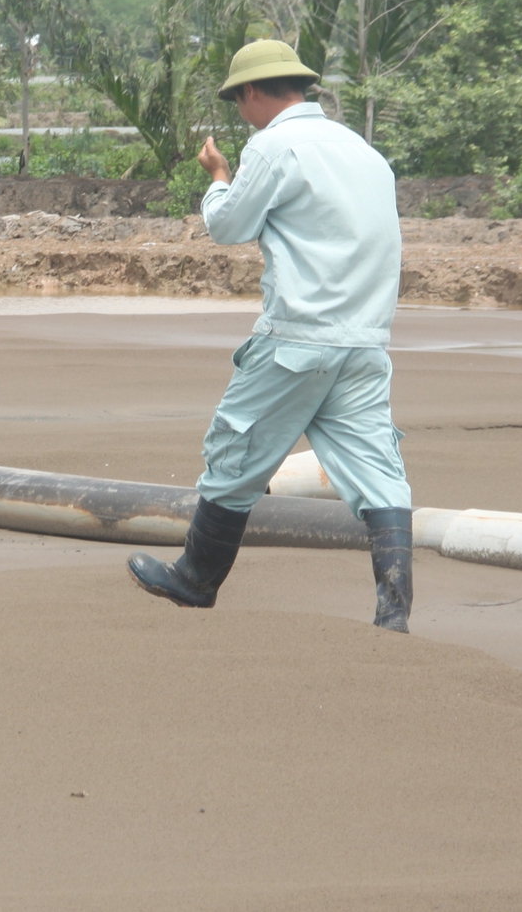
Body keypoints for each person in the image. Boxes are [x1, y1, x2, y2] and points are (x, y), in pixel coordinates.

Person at [127, 39, 415, 632]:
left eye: (239, 101)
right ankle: (394, 612)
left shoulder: (275, 144)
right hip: (364, 340)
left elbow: (229, 226)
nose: (241, 112)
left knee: (235, 452)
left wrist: (218, 177)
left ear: (253, 92)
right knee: (377, 468)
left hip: (298, 338)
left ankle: (194, 580)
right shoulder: (363, 151)